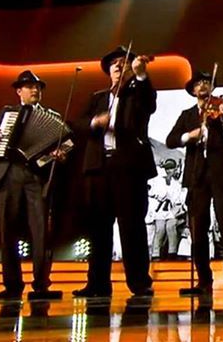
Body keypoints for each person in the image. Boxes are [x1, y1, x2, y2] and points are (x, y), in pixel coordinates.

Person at [0, 70, 67, 300]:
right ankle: (12, 285)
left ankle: (41, 284)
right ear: (19, 91)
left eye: (38, 87)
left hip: (37, 176)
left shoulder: (52, 116)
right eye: (29, 86)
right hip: (9, 174)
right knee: (8, 231)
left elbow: (65, 144)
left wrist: (59, 153)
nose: (35, 90)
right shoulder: (8, 112)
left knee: (41, 232)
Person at [73, 46, 156, 297]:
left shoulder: (138, 93)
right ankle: (97, 283)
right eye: (114, 63)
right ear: (108, 71)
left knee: (132, 225)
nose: (118, 66)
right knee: (98, 228)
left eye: (124, 62)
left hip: (128, 168)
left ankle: (139, 282)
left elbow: (149, 103)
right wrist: (94, 122)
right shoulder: (98, 98)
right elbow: (76, 124)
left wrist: (141, 75)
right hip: (99, 168)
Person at [166, 71, 223, 294]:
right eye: (198, 83)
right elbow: (171, 140)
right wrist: (189, 136)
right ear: (192, 90)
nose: (202, 86)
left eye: (207, 82)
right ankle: (203, 280)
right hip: (196, 175)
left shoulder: (220, 109)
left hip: (221, 173)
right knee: (198, 229)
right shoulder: (187, 115)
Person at [148, 158, 185, 260]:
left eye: (171, 168)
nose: (169, 171)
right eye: (167, 168)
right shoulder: (158, 181)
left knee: (170, 227)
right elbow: (149, 190)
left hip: (172, 211)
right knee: (160, 229)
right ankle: (156, 254)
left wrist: (173, 203)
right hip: (160, 211)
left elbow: (178, 200)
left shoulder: (176, 184)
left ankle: (172, 253)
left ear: (175, 169)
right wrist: (158, 195)